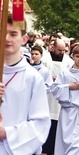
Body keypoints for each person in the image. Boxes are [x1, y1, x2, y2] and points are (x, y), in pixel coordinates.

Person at [0, 14, 50, 154]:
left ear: (24, 39)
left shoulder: (33, 78)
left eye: (13, 34)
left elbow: (40, 125)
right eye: (3, 32)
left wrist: (7, 133)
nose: (6, 38)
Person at [42, 38, 74, 155]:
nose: (61, 52)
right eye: (59, 50)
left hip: (60, 97)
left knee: (57, 126)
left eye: (63, 50)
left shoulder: (68, 62)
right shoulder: (45, 59)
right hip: (47, 97)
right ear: (53, 47)